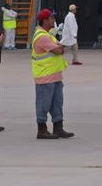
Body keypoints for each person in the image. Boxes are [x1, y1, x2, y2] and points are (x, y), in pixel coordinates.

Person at [31, 8, 74, 139]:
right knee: (43, 103)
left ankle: (58, 127)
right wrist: (63, 45)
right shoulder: (42, 36)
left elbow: (59, 48)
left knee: (57, 103)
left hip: (54, 75)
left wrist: (61, 46)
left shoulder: (47, 34)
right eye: (51, 18)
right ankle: (42, 129)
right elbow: (58, 50)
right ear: (45, 20)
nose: (53, 20)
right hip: (45, 76)